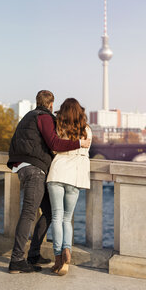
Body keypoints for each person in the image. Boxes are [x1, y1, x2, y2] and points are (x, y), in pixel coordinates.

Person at [7, 90, 91, 274]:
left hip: (23, 165)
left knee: (50, 212)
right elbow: (54, 144)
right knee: (29, 213)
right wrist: (77, 143)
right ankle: (17, 260)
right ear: (51, 105)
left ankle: (34, 254)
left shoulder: (27, 117)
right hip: (35, 170)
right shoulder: (44, 117)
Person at [46, 98, 92, 276]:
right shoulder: (87, 130)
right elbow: (85, 152)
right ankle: (67, 251)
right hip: (74, 177)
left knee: (56, 217)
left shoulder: (59, 127)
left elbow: (55, 149)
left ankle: (58, 256)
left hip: (57, 173)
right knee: (67, 218)